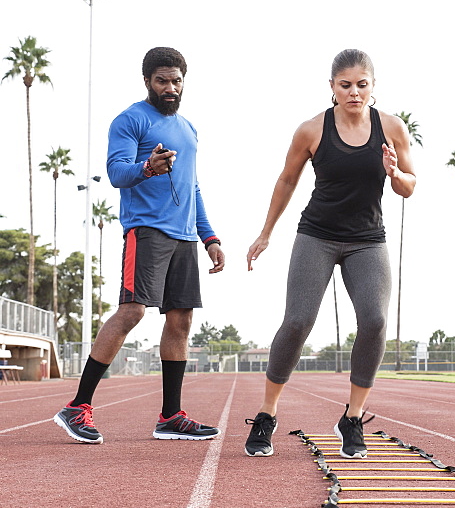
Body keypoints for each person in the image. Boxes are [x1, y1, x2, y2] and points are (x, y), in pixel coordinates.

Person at [244, 48, 416, 459]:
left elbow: (409, 186)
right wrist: (265, 233)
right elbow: (287, 180)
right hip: (317, 235)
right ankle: (267, 414)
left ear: (373, 87)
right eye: (345, 85)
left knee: (374, 322)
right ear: (332, 88)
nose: (354, 92)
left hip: (367, 240)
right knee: (298, 320)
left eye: (362, 84)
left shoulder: (391, 127)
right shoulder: (312, 130)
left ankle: (352, 417)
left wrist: (394, 172)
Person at [54, 47, 225, 444]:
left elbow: (193, 186)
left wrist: (209, 236)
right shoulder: (130, 120)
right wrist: (148, 167)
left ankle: (170, 416)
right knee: (132, 311)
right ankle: (77, 406)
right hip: (146, 231)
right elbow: (116, 173)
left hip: (184, 237)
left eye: (176, 81)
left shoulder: (188, 128)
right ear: (147, 80)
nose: (170, 88)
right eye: (162, 80)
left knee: (180, 320)